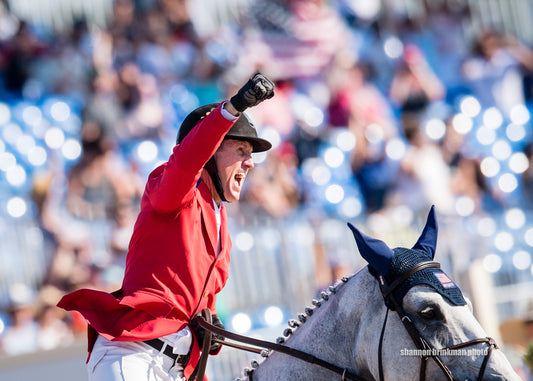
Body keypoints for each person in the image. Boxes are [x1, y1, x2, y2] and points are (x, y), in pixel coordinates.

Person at [57, 73, 275, 381]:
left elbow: (200, 296)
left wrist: (206, 321)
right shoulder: (174, 187)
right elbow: (187, 159)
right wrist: (232, 109)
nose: (249, 162)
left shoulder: (218, 216)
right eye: (240, 150)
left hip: (173, 367)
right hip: (133, 355)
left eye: (250, 155)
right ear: (209, 154)